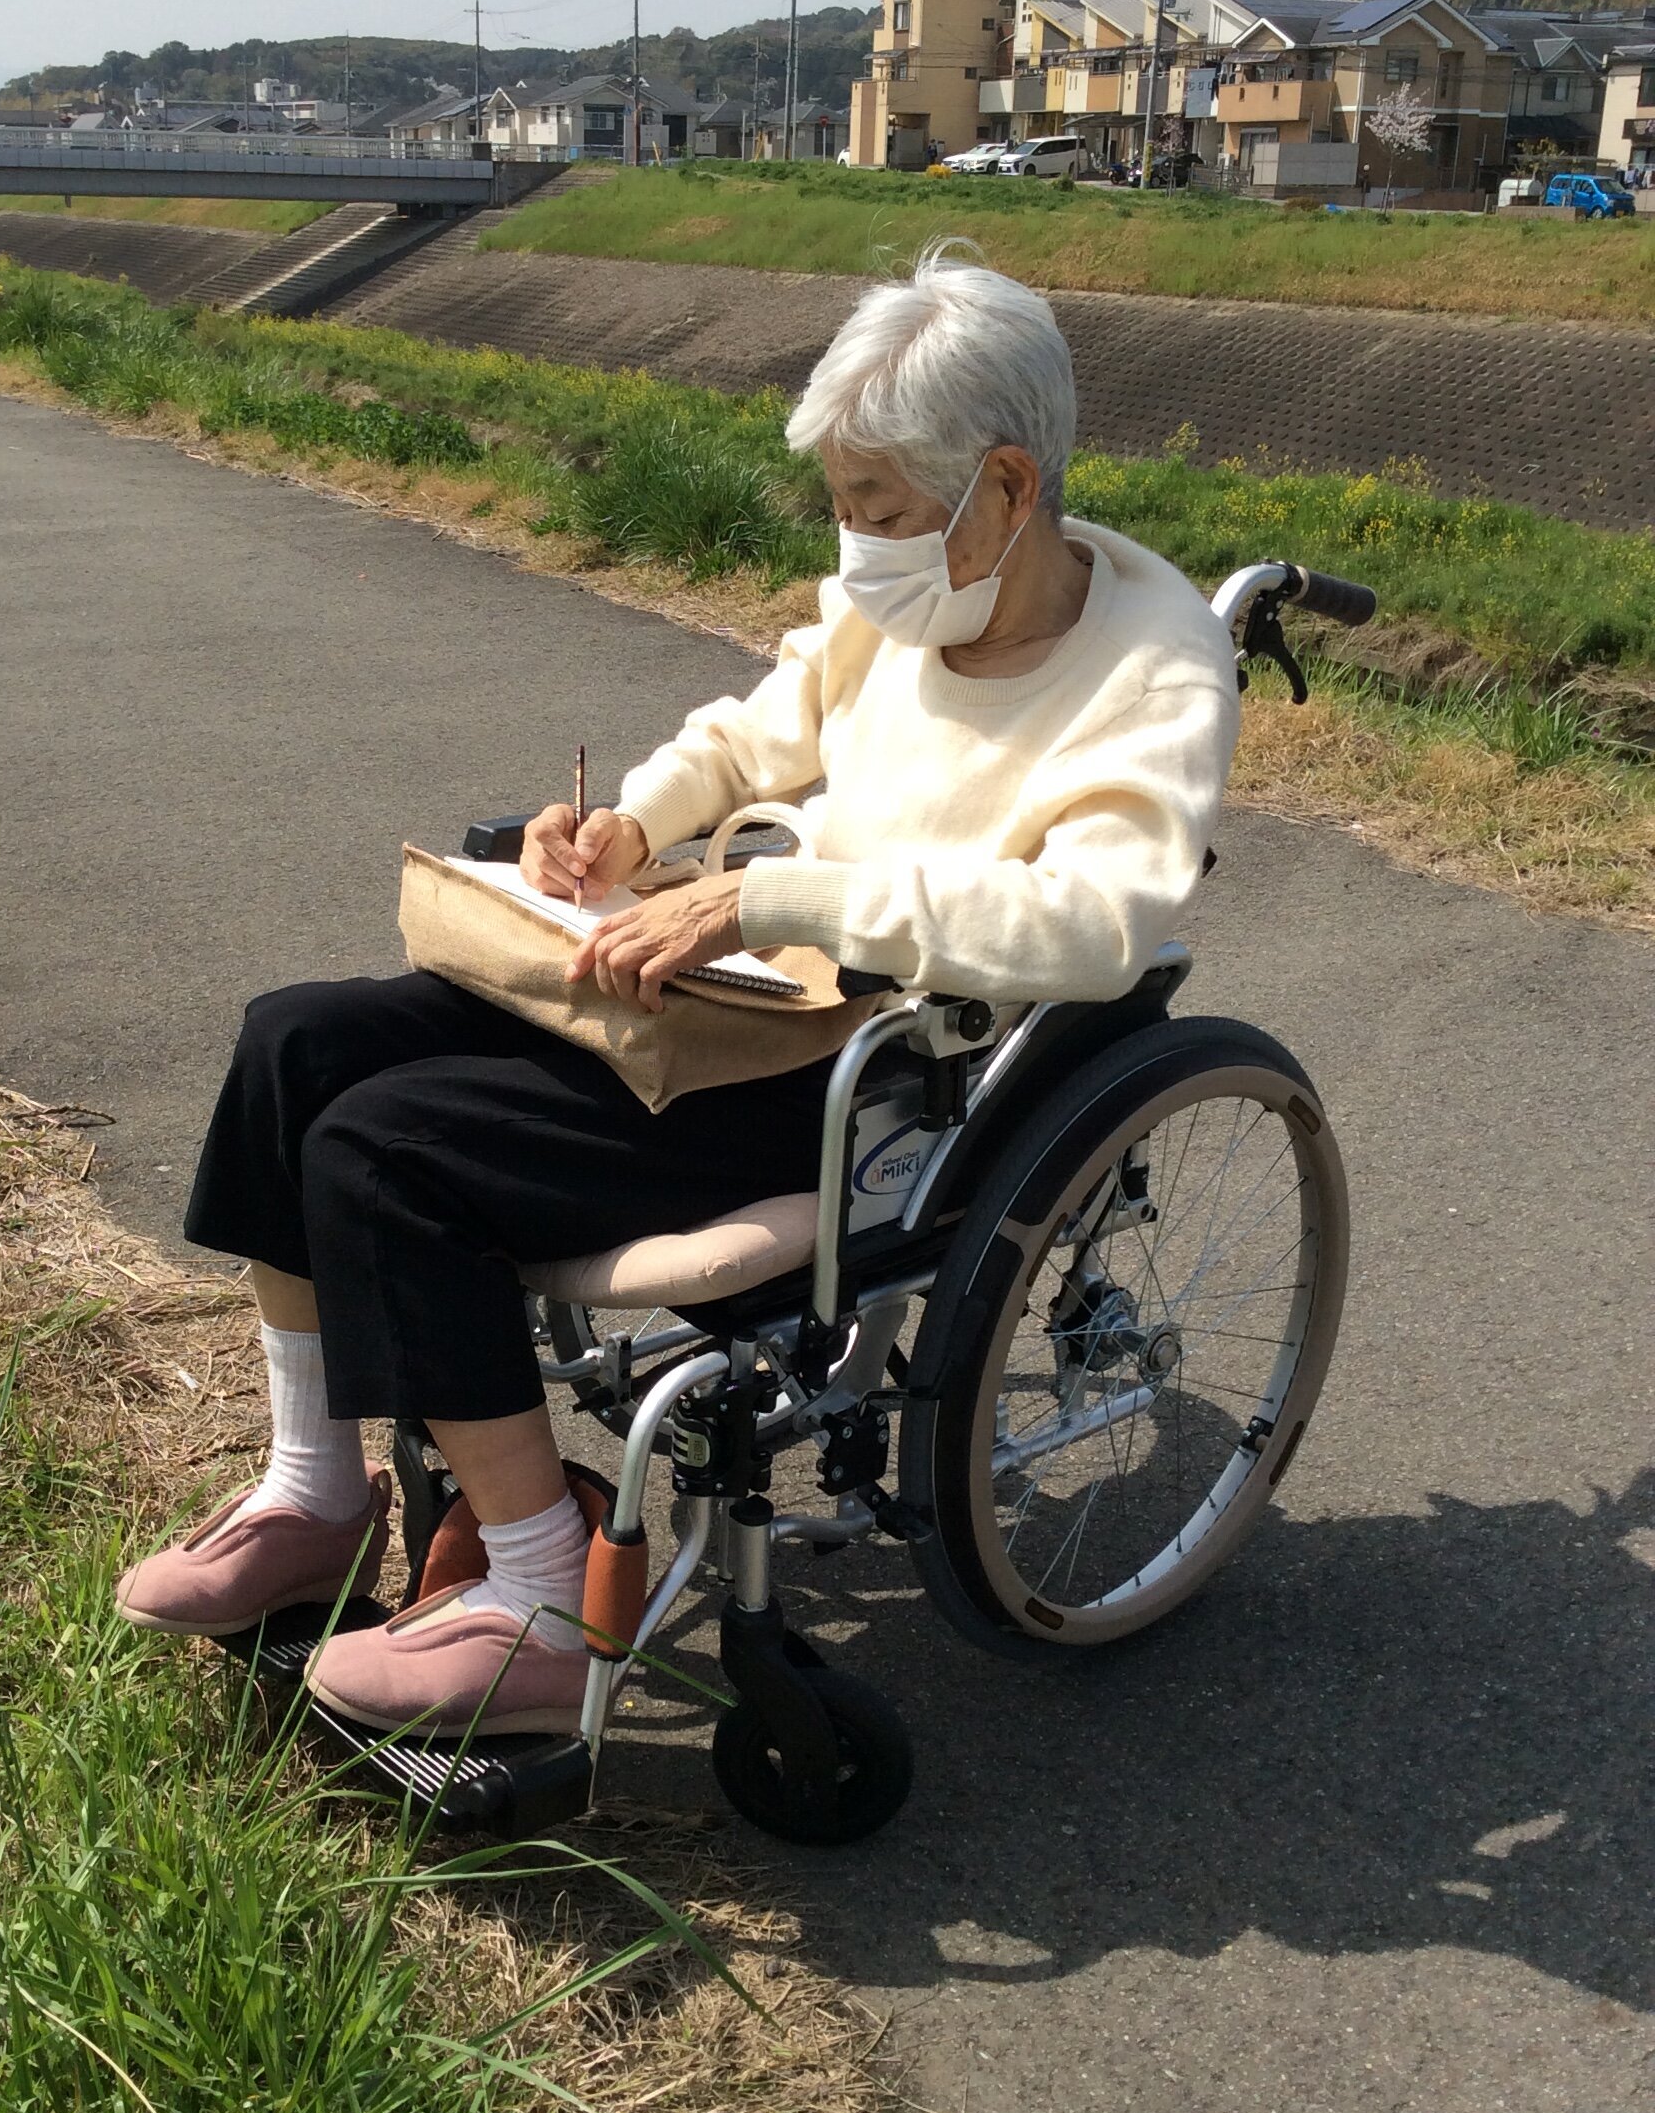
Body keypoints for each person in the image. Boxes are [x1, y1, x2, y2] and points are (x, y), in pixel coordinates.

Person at [116, 241, 1242, 1737]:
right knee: (293, 1044)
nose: (856, 548)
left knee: (383, 1152)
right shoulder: (912, 593)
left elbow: (1096, 927)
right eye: (843, 508)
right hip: (740, 986)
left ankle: (541, 1596)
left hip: (872, 1066)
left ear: (1009, 486)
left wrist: (767, 899)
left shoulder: (1154, 673)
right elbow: (757, 730)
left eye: (880, 512)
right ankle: (316, 1494)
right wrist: (633, 829)